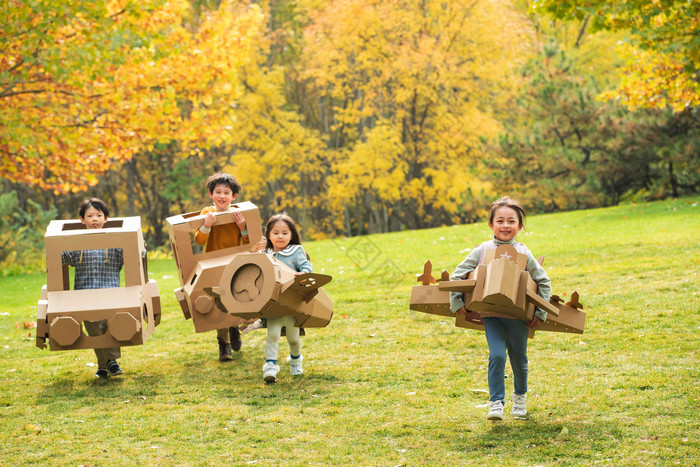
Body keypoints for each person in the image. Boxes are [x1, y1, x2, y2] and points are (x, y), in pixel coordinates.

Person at [449, 196, 551, 420]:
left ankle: (520, 399)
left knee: (519, 359)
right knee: (496, 356)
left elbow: (543, 281)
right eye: (500, 221)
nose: (506, 226)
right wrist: (456, 302)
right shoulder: (482, 251)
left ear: (520, 226)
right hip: (492, 315)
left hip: (518, 317)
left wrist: (540, 312)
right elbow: (458, 275)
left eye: (511, 221)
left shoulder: (524, 253)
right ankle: (496, 402)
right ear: (491, 225)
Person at [61, 198, 124, 379]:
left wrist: (139, 247)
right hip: (85, 294)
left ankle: (106, 364)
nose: (94, 219)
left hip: (111, 292)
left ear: (106, 218)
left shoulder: (115, 241)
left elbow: (130, 255)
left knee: (109, 326)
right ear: (82, 220)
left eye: (99, 215)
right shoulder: (75, 243)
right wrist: (54, 247)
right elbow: (64, 258)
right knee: (94, 330)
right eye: (89, 216)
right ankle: (109, 363)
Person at [194, 173, 250, 362]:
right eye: (218, 191)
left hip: (235, 263)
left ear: (233, 196)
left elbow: (248, 243)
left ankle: (234, 328)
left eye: (226, 192)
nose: (222, 195)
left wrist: (242, 227)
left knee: (235, 297)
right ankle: (223, 344)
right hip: (214, 265)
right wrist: (207, 225)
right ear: (211, 194)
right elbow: (199, 239)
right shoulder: (206, 213)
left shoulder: (238, 213)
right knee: (219, 302)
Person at [256, 213, 312, 383]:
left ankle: (295, 360)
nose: (280, 236)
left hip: (292, 304)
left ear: (291, 235)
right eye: (276, 232)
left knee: (293, 338)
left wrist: (304, 273)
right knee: (272, 334)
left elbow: (306, 266)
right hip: (273, 305)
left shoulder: (296, 251)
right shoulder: (263, 254)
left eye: (285, 233)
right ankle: (270, 366)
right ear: (269, 235)